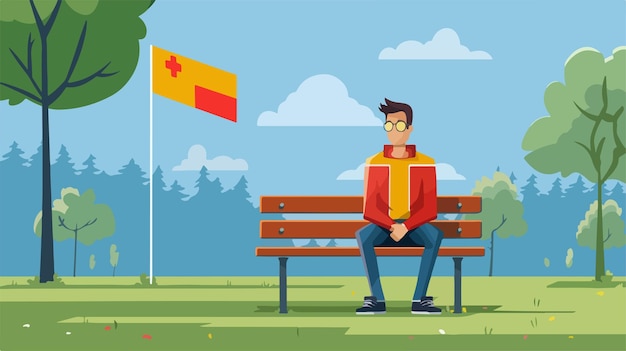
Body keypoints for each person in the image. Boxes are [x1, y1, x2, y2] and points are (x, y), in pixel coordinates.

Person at [355, 98, 443, 315]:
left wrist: (407, 225)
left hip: (414, 228)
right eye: (389, 125)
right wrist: (392, 225)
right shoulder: (375, 162)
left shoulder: (424, 162)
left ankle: (419, 298)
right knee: (364, 236)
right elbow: (370, 208)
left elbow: (429, 207)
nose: (394, 130)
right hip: (386, 227)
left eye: (400, 125)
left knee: (434, 236)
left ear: (410, 128)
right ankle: (377, 299)